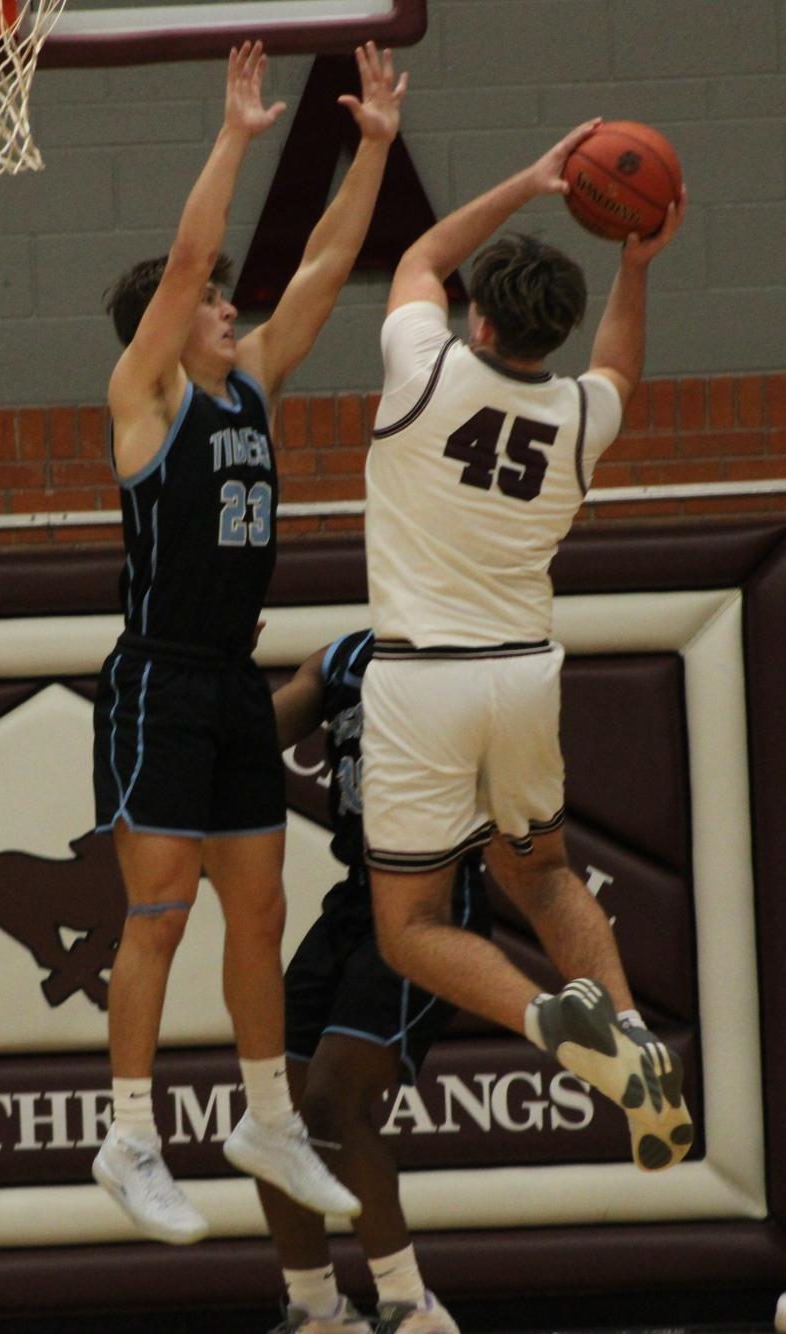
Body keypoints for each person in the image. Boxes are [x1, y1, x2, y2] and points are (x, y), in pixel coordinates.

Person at [91, 40, 408, 1245]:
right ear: (168, 327)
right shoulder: (146, 397)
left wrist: (371, 148)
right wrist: (233, 136)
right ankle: (128, 1135)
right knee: (157, 913)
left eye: (229, 297)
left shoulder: (254, 382)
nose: (230, 305)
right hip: (156, 682)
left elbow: (329, 265)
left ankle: (265, 1114)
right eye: (215, 300)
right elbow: (181, 263)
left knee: (261, 910)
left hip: (228, 685)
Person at [359, 120, 693, 1174]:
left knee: (407, 924)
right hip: (522, 671)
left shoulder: (421, 372)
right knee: (540, 873)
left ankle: (563, 1030)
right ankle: (631, 1032)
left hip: (424, 677)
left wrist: (530, 175)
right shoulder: (577, 419)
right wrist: (634, 267)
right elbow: (619, 371)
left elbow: (416, 254)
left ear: (480, 317)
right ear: (546, 335)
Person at [261, 629, 484, 1334]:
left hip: (432, 897)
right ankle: (316, 1310)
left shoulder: (479, 650)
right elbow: (266, 726)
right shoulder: (346, 656)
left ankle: (412, 1305)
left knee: (331, 1102)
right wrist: (211, 676)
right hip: (355, 896)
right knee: (274, 1116)